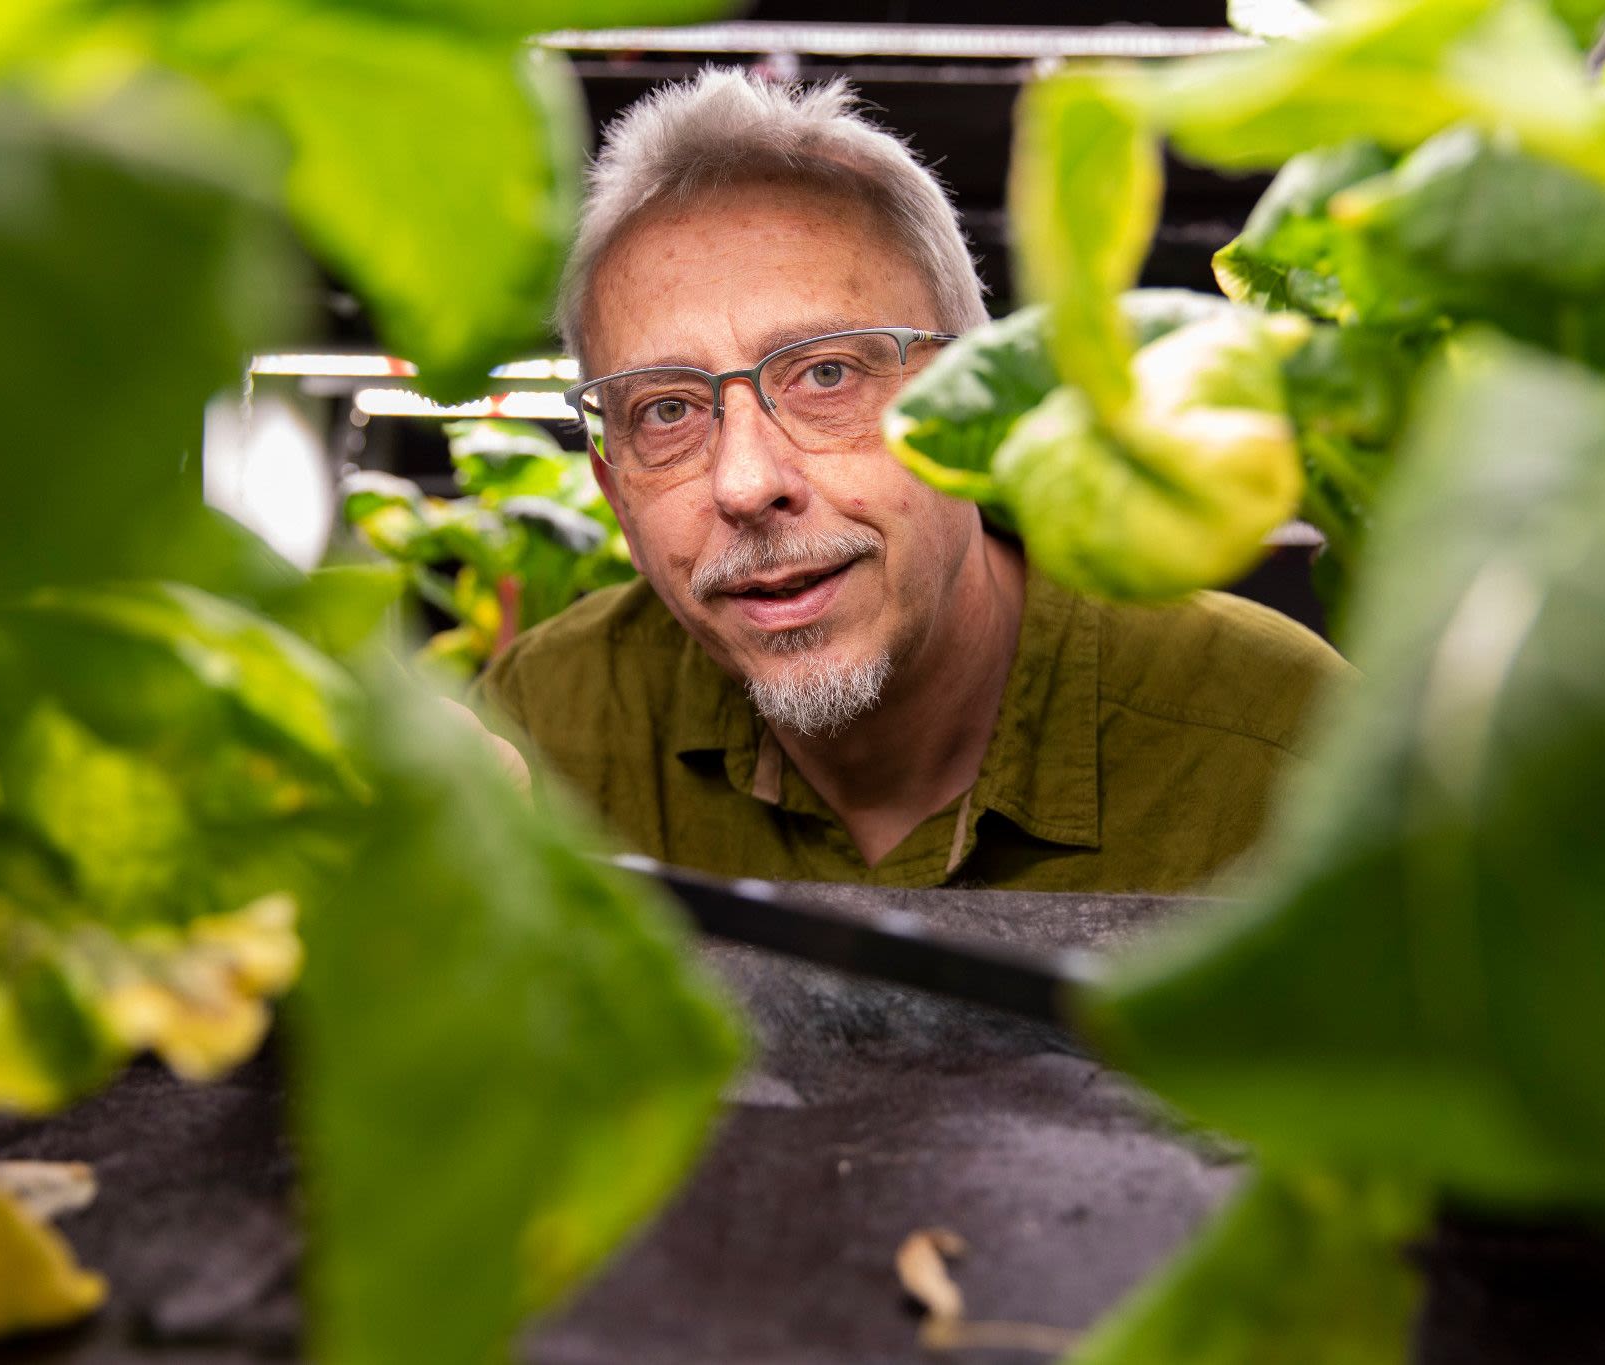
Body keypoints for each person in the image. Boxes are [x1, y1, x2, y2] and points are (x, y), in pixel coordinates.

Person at [474, 68, 1346, 892]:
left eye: (826, 376)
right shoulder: (543, 737)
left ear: (973, 404)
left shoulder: (1282, 753)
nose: (745, 483)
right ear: (613, 482)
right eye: (666, 412)